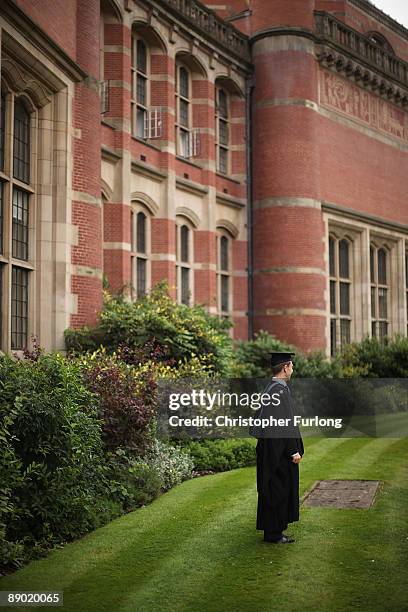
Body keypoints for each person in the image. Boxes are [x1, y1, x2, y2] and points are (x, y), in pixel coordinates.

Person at [255, 352, 304, 544]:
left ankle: (273, 531)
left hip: (270, 448)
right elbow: (284, 424)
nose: (292, 370)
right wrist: (293, 450)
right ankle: (274, 534)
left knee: (272, 487)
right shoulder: (279, 391)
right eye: (291, 366)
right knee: (278, 488)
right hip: (278, 451)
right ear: (285, 367)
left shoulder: (271, 388)